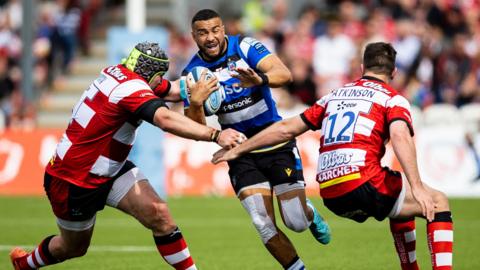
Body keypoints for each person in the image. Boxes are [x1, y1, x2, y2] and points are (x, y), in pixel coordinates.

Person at [213, 42, 454, 270]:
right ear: (394, 72)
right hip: (362, 181)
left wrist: (239, 148)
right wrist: (418, 185)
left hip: (330, 191)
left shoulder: (334, 95)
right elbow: (400, 135)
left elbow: (285, 129)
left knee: (400, 200)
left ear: (362, 69)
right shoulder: (392, 98)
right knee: (437, 201)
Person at [9, 41, 245, 270]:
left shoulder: (121, 73)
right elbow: (165, 119)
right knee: (73, 247)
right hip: (75, 179)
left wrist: (215, 81)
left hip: (111, 168)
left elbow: (173, 89)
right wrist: (215, 135)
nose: (159, 82)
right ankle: (26, 264)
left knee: (160, 215)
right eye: (158, 78)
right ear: (151, 75)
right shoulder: (131, 89)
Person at [182, 9, 331, 270]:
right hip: (239, 152)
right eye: (203, 33)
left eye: (215, 30)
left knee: (296, 222)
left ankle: (307, 211)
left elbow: (284, 74)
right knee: (263, 223)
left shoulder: (245, 46)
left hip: (274, 142)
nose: (210, 37)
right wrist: (195, 102)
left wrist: (260, 79)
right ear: (194, 36)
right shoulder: (192, 73)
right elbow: (196, 128)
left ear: (223, 30)